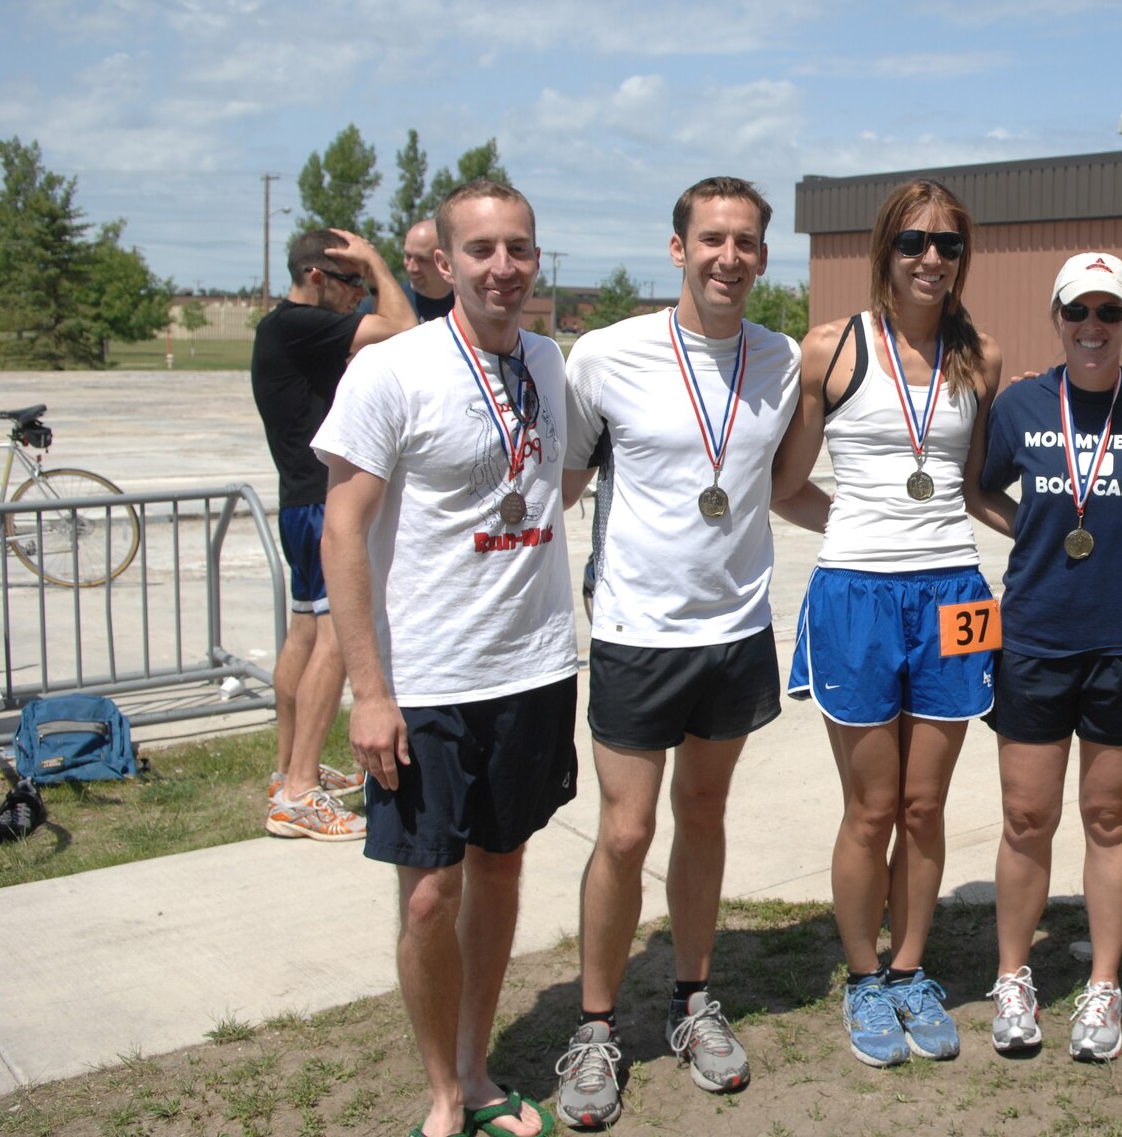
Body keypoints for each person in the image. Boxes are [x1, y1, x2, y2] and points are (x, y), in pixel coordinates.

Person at [317, 178, 575, 1137]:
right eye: (481, 251)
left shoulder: (552, 363)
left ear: (535, 259)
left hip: (532, 669)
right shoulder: (394, 369)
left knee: (501, 875)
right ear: (443, 262)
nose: (501, 268)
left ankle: (474, 1072)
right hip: (424, 683)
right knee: (430, 895)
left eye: (518, 249)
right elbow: (343, 533)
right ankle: (437, 1093)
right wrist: (369, 691)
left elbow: (566, 475)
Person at [550, 179, 801, 1125]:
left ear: (763, 257)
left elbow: (786, 486)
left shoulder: (779, 362)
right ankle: (595, 1026)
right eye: (710, 239)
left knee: (704, 813)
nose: (727, 257)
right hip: (633, 633)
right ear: (677, 249)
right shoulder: (608, 356)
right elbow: (564, 486)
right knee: (624, 831)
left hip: (735, 631)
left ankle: (692, 1002)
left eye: (744, 242)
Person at [772, 177, 1006, 1068]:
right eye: (913, 242)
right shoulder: (832, 348)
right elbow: (785, 486)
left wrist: (1060, 531)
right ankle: (864, 978)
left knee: (926, 802)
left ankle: (912, 969)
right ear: (884, 250)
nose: (931, 259)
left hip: (957, 597)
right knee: (871, 807)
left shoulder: (979, 353)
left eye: (947, 244)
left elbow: (976, 489)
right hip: (854, 597)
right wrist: (865, 532)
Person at [978, 253, 1122, 1063]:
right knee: (1025, 818)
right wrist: (1038, 528)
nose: (1091, 325)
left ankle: (1103, 985)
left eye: (1108, 312)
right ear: (1056, 318)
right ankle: (1014, 977)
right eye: (1077, 310)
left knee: (1109, 819)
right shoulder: (1019, 406)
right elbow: (980, 489)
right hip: (1037, 640)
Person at [251, 226, 414, 841]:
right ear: (316, 277)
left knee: (302, 635)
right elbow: (400, 329)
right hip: (321, 503)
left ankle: (289, 768)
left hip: (299, 501)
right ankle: (298, 794)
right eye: (350, 283)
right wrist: (376, 263)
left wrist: (364, 271)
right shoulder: (299, 323)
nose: (359, 295)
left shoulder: (280, 328)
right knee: (338, 643)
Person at [401, 218, 456, 323]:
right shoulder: (385, 305)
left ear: (444, 262)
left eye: (422, 260)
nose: (411, 268)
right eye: (408, 256)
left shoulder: (472, 304)